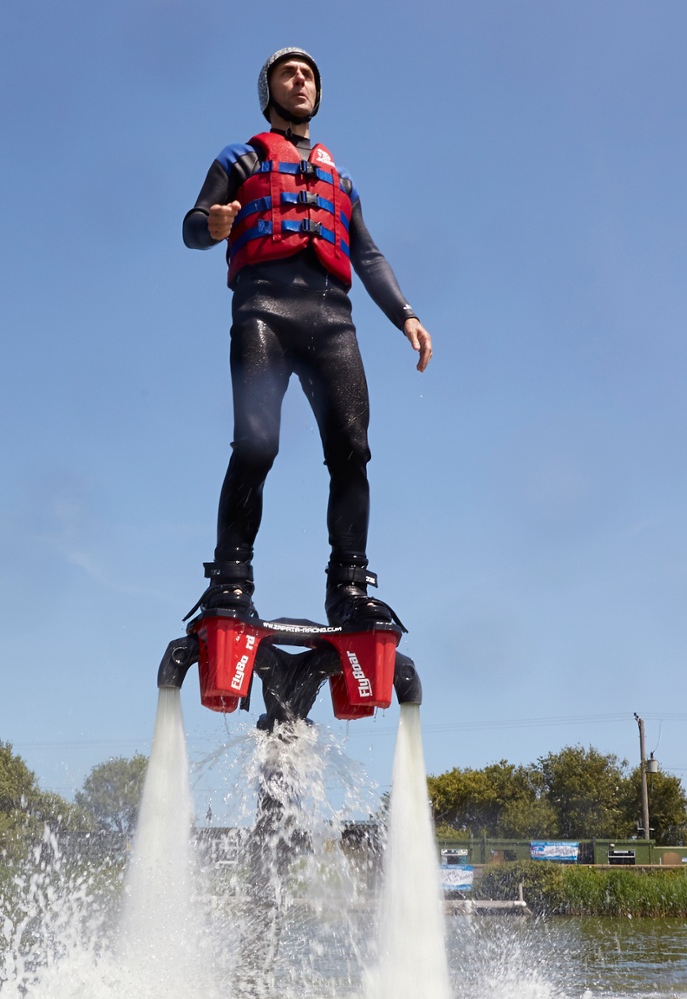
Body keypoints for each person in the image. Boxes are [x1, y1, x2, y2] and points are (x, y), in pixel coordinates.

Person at [182, 48, 432, 632]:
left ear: (318, 94)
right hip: (262, 309)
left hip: (331, 321)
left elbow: (367, 254)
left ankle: (348, 585)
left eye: (309, 75)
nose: (300, 80)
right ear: (268, 91)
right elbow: (192, 225)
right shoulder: (240, 159)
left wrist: (406, 315)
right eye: (288, 73)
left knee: (352, 449)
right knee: (257, 444)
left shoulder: (340, 180)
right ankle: (230, 582)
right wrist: (214, 223)